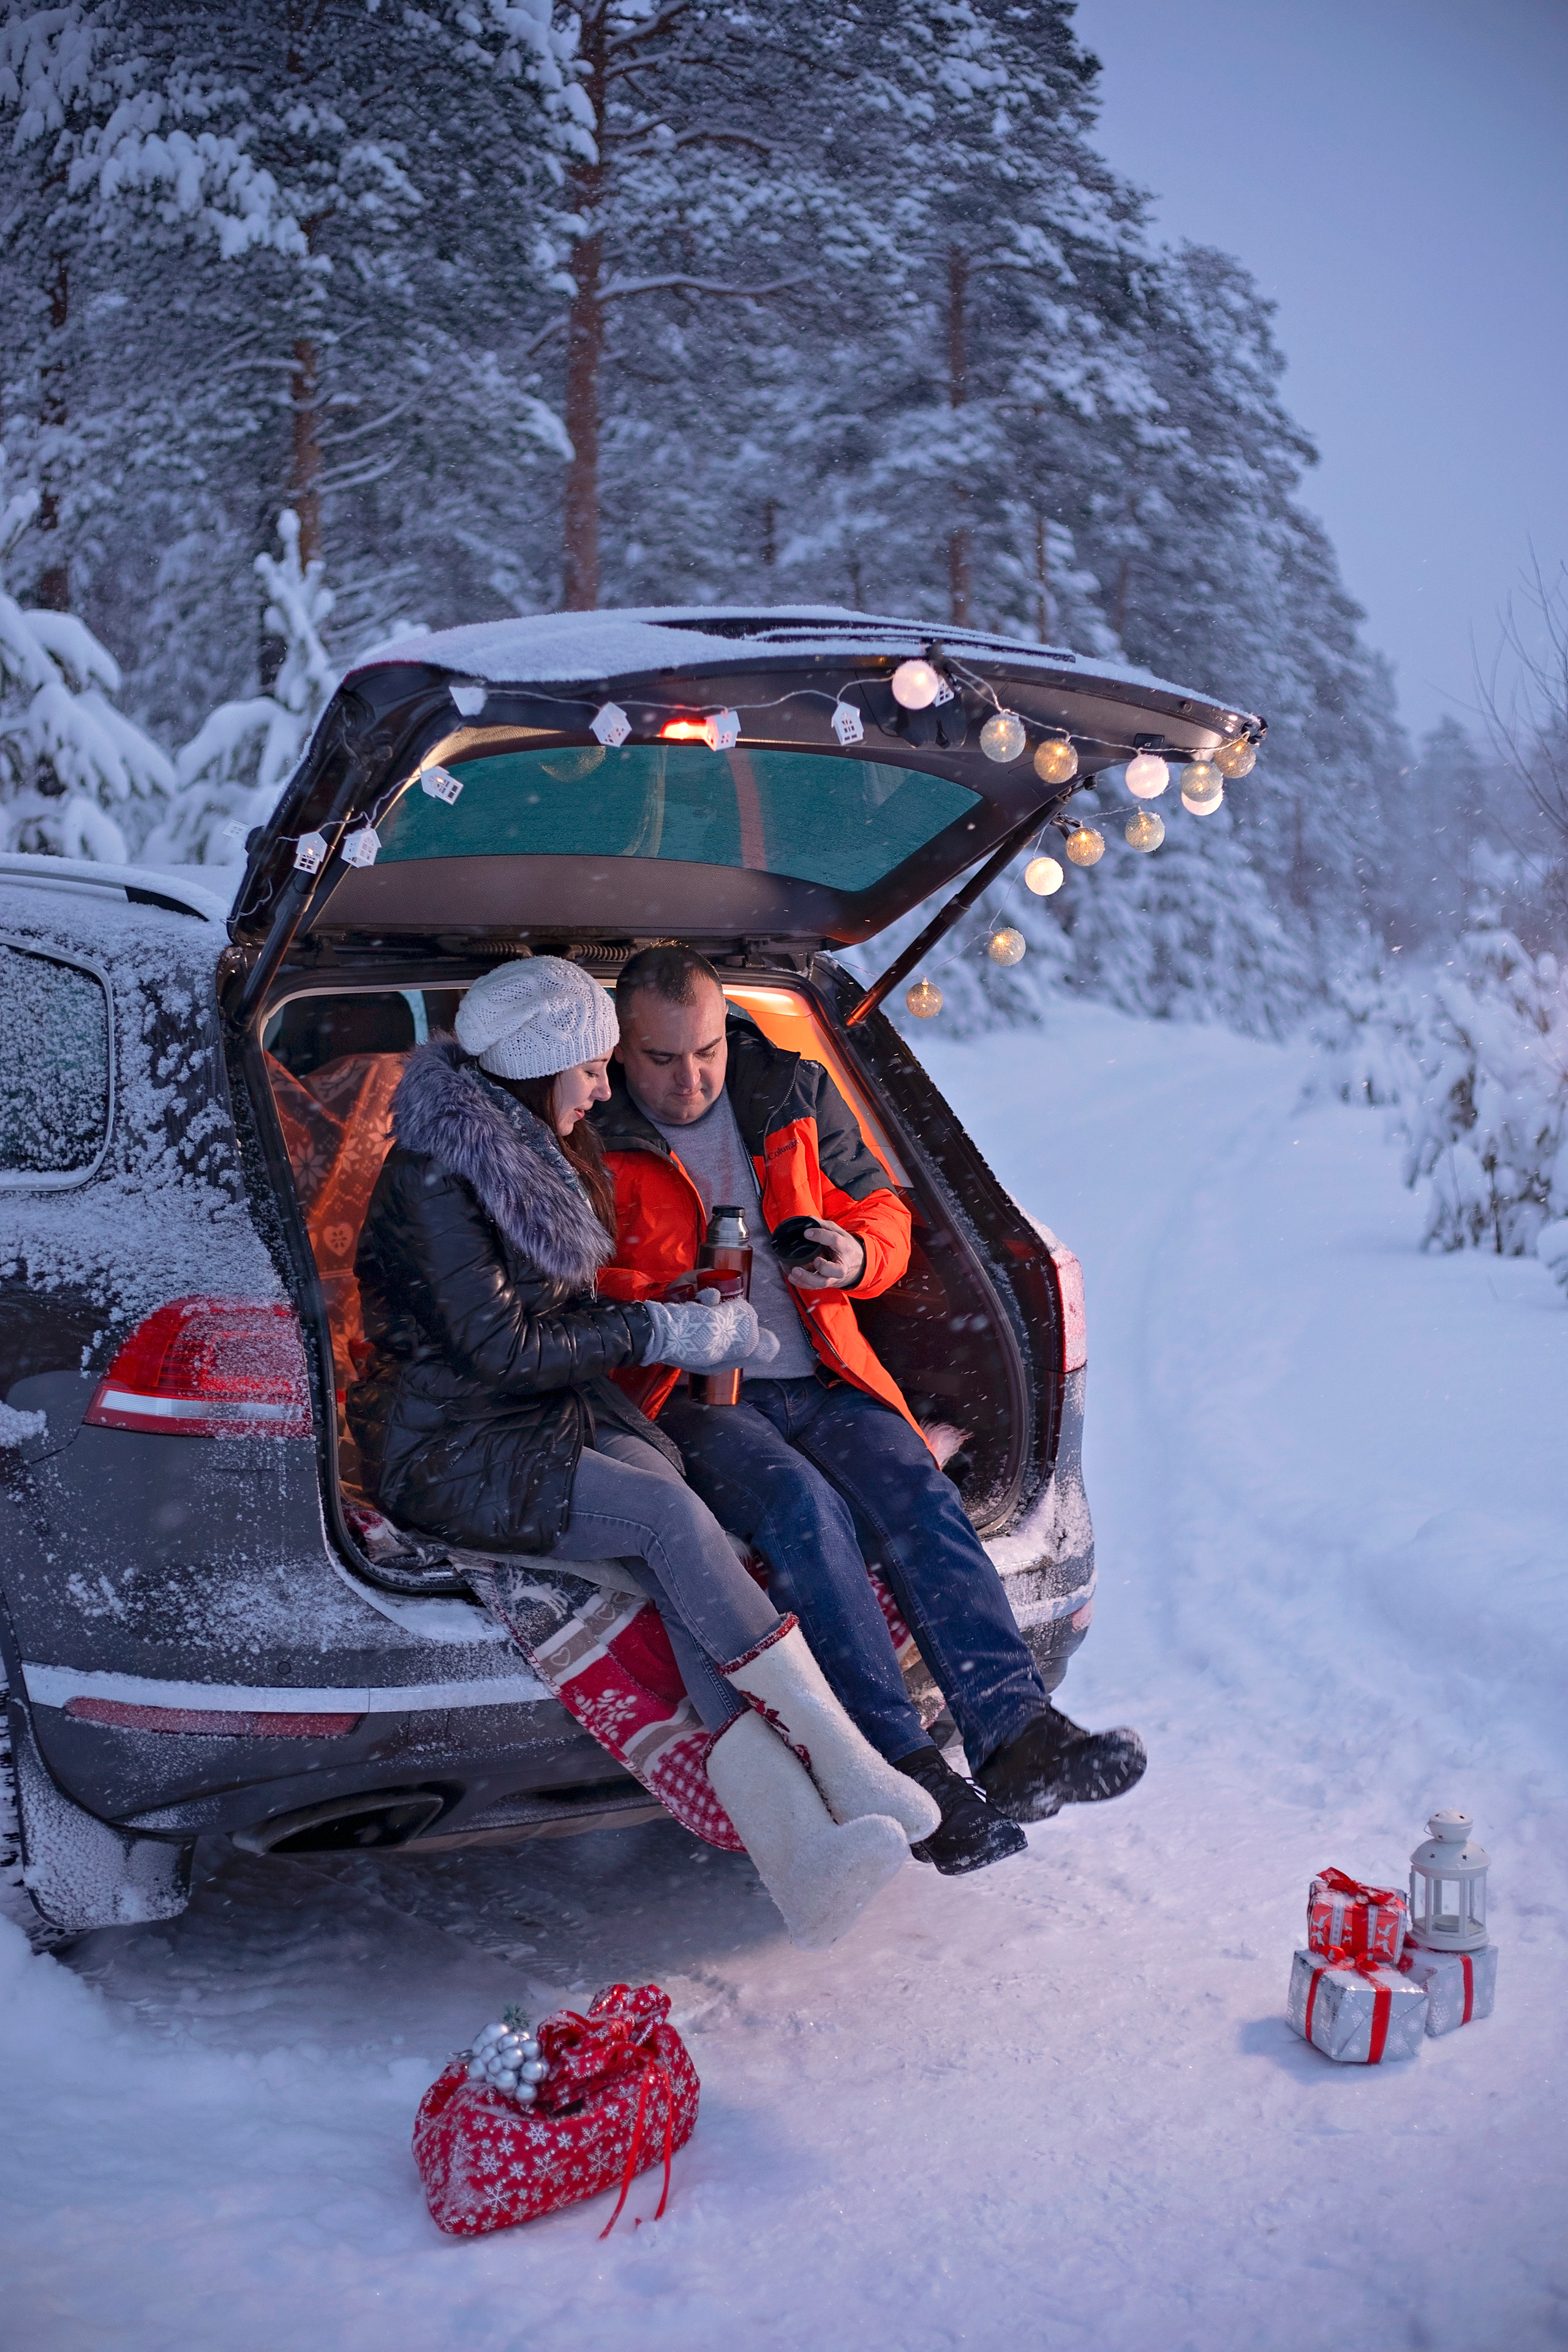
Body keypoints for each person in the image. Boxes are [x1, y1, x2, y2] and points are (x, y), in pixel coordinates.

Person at [349, 955, 943, 1950]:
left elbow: (566, 1308)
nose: (604, 1086)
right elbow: (500, 1346)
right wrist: (662, 1337)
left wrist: (679, 1318)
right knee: (668, 1521)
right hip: (450, 1444)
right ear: (541, 1069)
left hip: (540, 1413)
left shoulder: (540, 1140)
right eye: (592, 1067)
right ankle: (845, 1768)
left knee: (680, 1513)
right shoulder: (436, 1178)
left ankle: (801, 1846)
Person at [593, 946, 1146, 1872]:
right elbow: (572, 1279)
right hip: (692, 1397)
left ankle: (1016, 1736)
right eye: (662, 1060)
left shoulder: (788, 1088)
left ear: (725, 1031)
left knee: (915, 1490)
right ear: (619, 1052)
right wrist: (673, 1302)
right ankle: (905, 1770)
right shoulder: (588, 1125)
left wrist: (851, 1258)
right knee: (801, 1512)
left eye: (705, 1054)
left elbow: (883, 1211)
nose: (690, 1080)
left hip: (825, 1374)